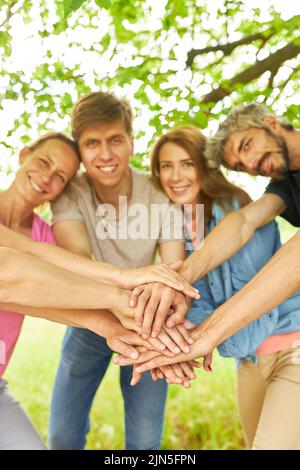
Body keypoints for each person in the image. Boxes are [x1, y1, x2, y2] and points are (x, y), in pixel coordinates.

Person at [0, 131, 196, 450]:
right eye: (43, 162)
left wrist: (119, 326)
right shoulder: (29, 244)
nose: (47, 178)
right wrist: (123, 284)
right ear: (23, 155)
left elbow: (33, 296)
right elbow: (13, 269)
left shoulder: (44, 235)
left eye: (60, 176)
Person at [115, 125, 300, 449]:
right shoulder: (174, 232)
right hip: (250, 362)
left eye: (187, 164)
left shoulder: (235, 207)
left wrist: (196, 336)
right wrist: (174, 340)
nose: (176, 176)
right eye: (166, 166)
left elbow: (256, 296)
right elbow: (193, 304)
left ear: (203, 167)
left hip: (292, 347)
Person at [48, 91, 199, 450]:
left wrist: (160, 318)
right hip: (89, 319)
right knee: (62, 436)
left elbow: (174, 268)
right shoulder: (70, 195)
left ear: (131, 141)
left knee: (145, 442)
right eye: (92, 143)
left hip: (149, 325)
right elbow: (80, 262)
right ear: (81, 151)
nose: (105, 154)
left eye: (115, 140)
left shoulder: (158, 193)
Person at [127, 102, 300, 362]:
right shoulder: (284, 185)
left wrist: (207, 335)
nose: (252, 164)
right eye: (241, 167)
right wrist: (179, 280)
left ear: (271, 123)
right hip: (253, 356)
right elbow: (243, 222)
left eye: (247, 145)